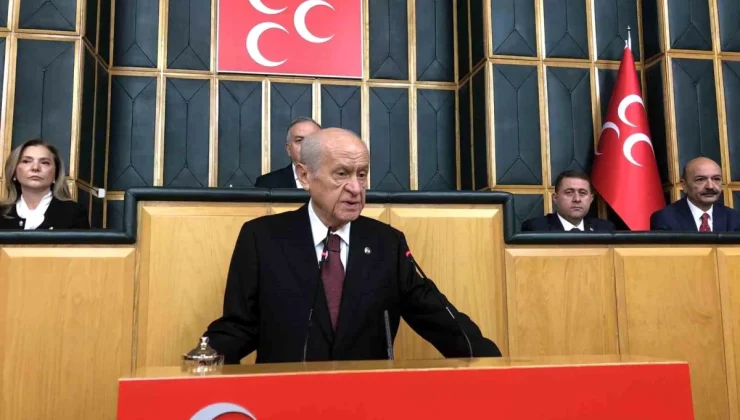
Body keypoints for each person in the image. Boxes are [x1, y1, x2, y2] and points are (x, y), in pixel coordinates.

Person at [205, 128, 501, 363]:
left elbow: (438, 318)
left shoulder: (387, 243)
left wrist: (491, 363)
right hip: (287, 400)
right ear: (305, 176)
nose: (356, 189)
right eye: (342, 174)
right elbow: (239, 327)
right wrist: (205, 359)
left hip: (366, 400)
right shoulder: (262, 238)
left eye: (362, 174)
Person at [0, 138, 89, 230]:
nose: (35, 168)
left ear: (56, 173)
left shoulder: (74, 212)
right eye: (26, 161)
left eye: (44, 163)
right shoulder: (1, 212)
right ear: (14, 171)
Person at [650, 157, 740, 231]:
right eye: (700, 180)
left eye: (716, 179)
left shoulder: (734, 218)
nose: (710, 186)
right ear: (684, 185)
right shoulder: (665, 218)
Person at [521, 170, 615, 232]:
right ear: (555, 198)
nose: (577, 199)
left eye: (582, 193)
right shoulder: (536, 228)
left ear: (591, 199)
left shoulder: (605, 229)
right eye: (569, 192)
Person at [254, 117, 321, 189]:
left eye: (313, 139)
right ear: (288, 149)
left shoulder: (331, 180)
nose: (306, 145)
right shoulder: (267, 184)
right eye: (299, 140)